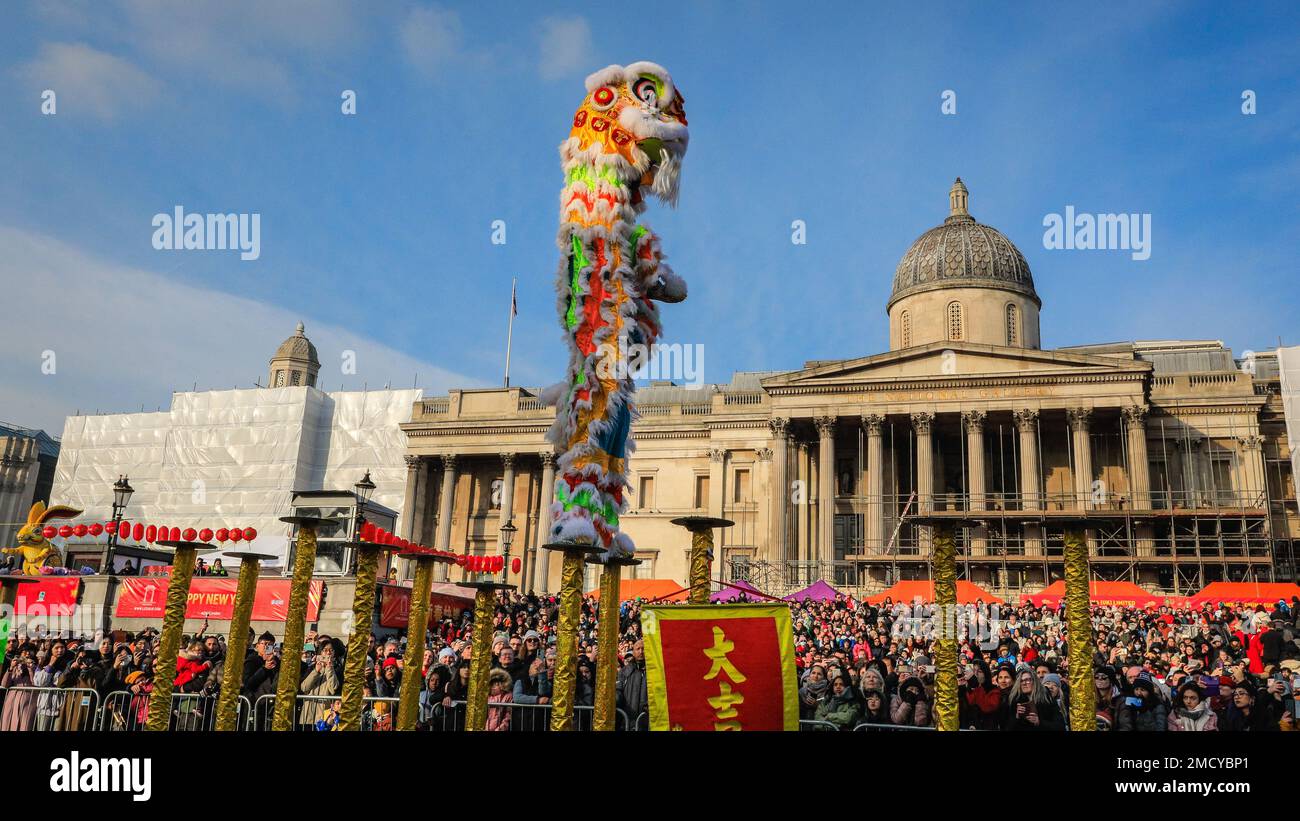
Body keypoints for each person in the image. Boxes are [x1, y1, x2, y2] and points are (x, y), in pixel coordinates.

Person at [616, 639, 648, 720]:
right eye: (638, 649)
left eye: (643, 649)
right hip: (628, 719)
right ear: (633, 652)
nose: (641, 651)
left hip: (647, 720)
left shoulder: (653, 671)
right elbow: (618, 691)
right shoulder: (624, 671)